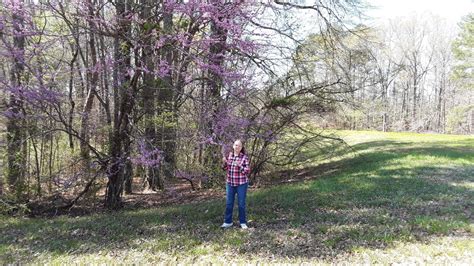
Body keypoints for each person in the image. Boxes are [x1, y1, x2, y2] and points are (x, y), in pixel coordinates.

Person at [221, 139, 250, 229]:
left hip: (241, 184)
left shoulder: (244, 157)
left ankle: (243, 222)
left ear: (241, 148)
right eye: (235, 145)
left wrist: (240, 166)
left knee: (241, 203)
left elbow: (247, 171)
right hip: (230, 183)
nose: (237, 147)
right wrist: (224, 163)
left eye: (239, 146)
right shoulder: (229, 156)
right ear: (233, 146)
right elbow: (225, 168)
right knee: (229, 203)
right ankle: (228, 222)